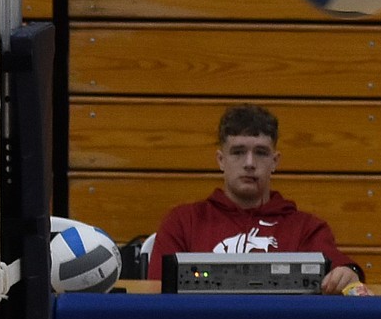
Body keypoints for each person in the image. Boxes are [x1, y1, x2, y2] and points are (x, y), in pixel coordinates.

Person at [147, 104, 364, 293]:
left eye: (260, 153)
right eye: (238, 152)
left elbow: (345, 274)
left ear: (275, 161)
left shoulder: (306, 228)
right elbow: (156, 292)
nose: (249, 163)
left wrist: (348, 274)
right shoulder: (183, 222)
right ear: (221, 160)